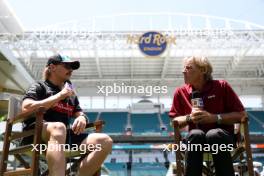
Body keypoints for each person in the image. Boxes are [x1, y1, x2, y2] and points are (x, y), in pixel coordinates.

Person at [22, 54, 113, 176]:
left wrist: (82, 118)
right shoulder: (39, 86)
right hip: (36, 135)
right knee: (58, 127)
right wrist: (59, 96)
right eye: (66, 66)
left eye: (72, 67)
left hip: (63, 137)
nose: (70, 69)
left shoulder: (70, 94)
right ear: (52, 67)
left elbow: (80, 113)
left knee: (105, 141)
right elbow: (26, 107)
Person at [169, 56, 246, 176]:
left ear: (203, 70)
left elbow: (241, 115)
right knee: (195, 134)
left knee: (214, 134)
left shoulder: (222, 86)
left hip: (223, 139)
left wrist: (215, 118)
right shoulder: (180, 92)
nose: (183, 71)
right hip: (195, 139)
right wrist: (190, 118)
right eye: (184, 68)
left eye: (188, 67)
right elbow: (174, 121)